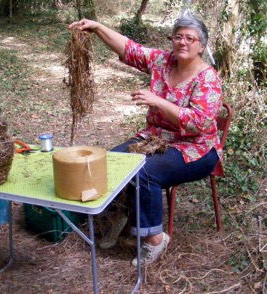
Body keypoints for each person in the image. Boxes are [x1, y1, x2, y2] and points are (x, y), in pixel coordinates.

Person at [68, 11, 223, 267]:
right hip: (155, 138)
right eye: (178, 37)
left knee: (144, 172)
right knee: (112, 161)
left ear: (202, 47)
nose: (183, 42)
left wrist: (158, 101)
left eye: (190, 39)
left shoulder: (208, 79)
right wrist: (97, 27)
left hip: (196, 149)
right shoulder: (163, 61)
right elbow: (130, 49)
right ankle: (122, 216)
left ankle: (155, 239)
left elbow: (200, 123)